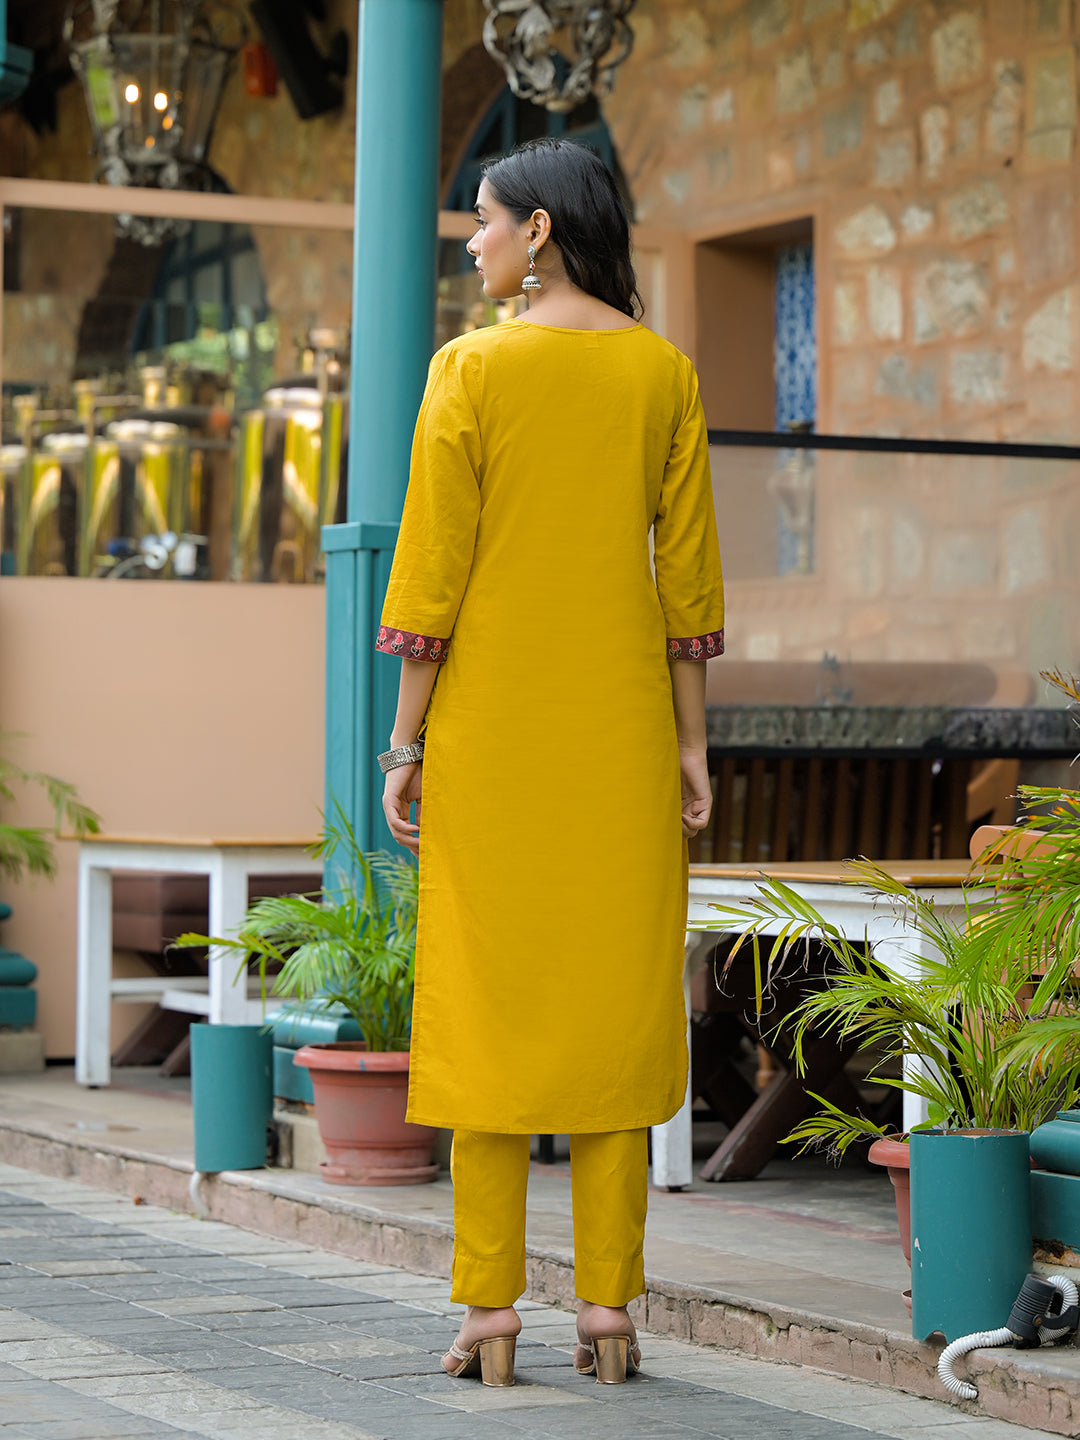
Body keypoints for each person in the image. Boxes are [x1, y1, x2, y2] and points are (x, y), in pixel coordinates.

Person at [376, 138, 724, 1388]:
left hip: (494, 735)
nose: (471, 242)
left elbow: (433, 570)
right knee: (612, 1004)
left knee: (488, 1003)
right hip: (622, 736)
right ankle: (609, 1310)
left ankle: (488, 1311)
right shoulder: (663, 374)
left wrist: (405, 740)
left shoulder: (470, 369)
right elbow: (689, 583)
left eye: (482, 220)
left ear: (538, 231)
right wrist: (692, 743)